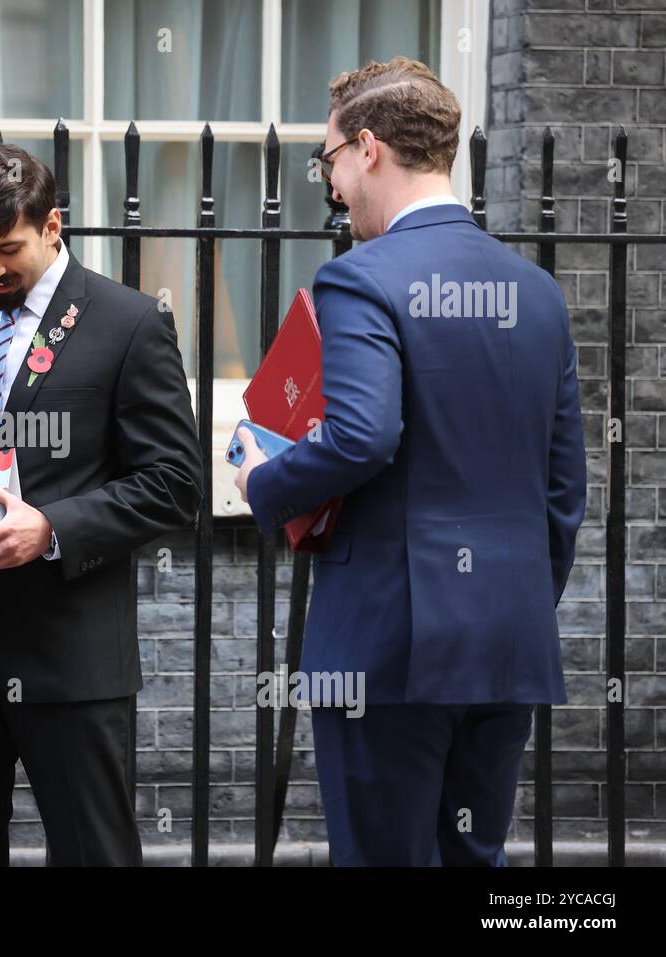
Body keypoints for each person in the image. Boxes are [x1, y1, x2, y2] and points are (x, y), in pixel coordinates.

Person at [233, 58, 586, 866]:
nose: (329, 187)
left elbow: (361, 434)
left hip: (387, 651)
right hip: (506, 643)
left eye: (327, 163)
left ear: (367, 149)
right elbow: (565, 493)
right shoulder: (536, 292)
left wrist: (264, 481)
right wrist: (512, 595)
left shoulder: (360, 280)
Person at [0, 143, 201, 866]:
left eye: (8, 248)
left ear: (54, 224)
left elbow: (177, 481)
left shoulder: (130, 323)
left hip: (71, 653)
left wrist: (53, 526)